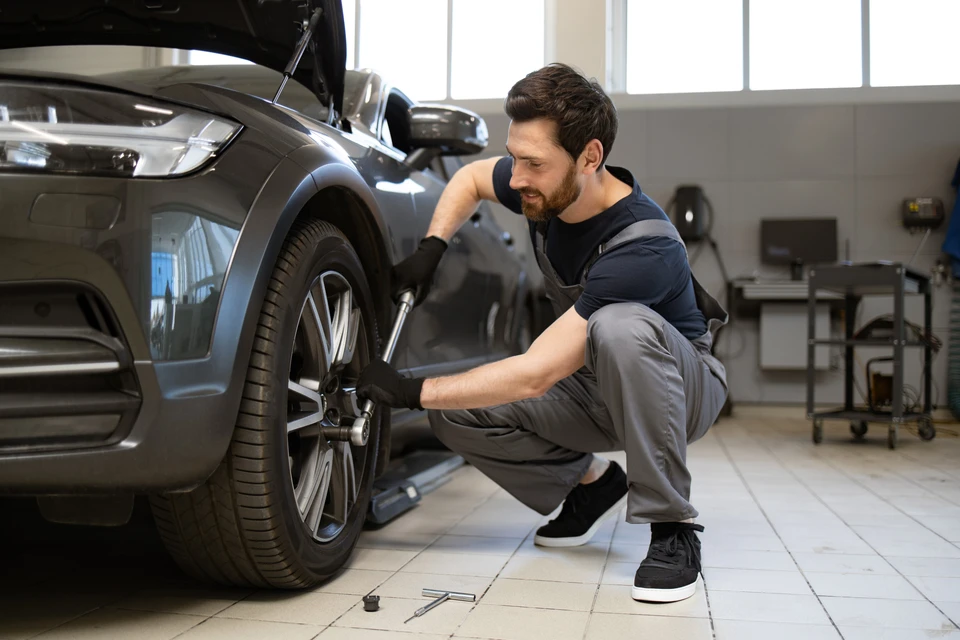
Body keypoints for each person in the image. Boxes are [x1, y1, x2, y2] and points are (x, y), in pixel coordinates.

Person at [356, 63, 728, 603]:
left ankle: (672, 528)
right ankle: (592, 484)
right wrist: (432, 249)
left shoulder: (645, 246)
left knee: (619, 325)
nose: (518, 176)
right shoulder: (541, 187)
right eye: (516, 157)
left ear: (590, 157)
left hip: (681, 387)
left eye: (533, 163)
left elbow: (535, 374)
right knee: (454, 410)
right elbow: (469, 179)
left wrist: (408, 391)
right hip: (593, 385)